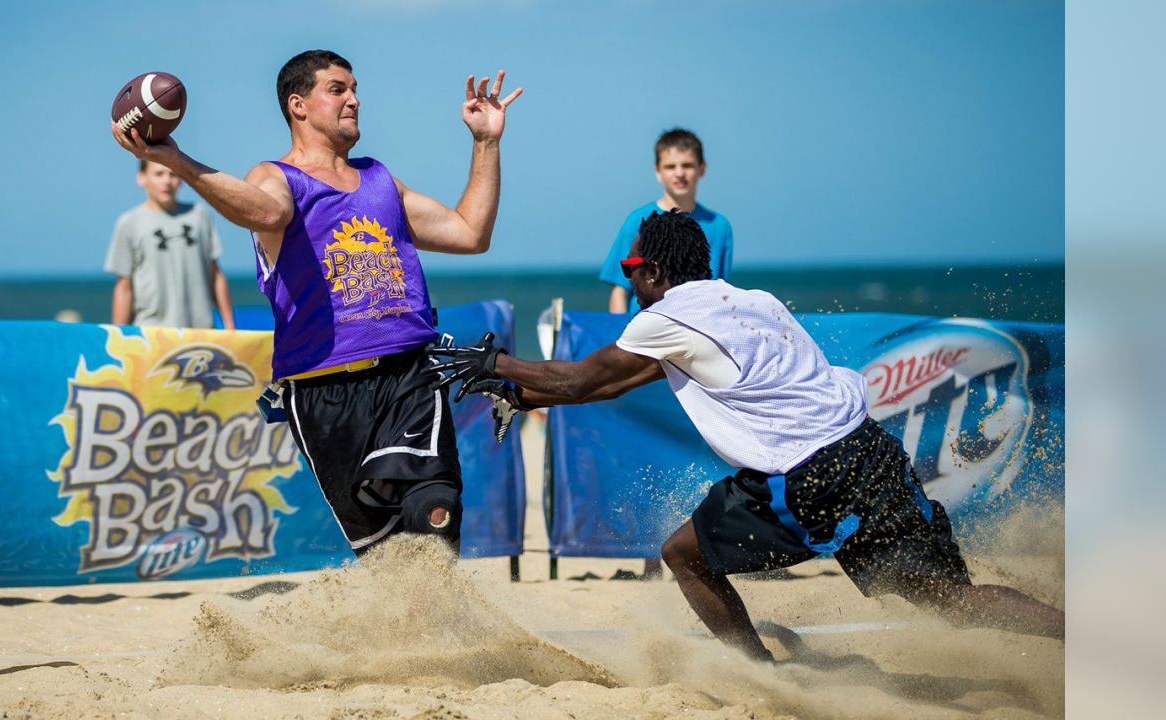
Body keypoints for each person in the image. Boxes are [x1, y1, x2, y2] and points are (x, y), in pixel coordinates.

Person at [430, 210, 1065, 662]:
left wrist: (495, 363)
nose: (628, 283)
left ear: (650, 271)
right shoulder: (752, 301)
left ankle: (754, 675)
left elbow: (577, 379)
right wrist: (516, 391)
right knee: (951, 599)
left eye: (630, 270)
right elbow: (609, 385)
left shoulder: (668, 316)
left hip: (808, 473)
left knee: (684, 555)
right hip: (869, 449)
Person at [111, 50, 522, 556]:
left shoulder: (379, 180)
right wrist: (177, 161)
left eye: (354, 89)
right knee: (385, 553)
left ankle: (443, 630)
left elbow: (470, 232)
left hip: (408, 373)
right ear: (298, 105)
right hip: (322, 391)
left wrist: (486, 143)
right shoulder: (275, 177)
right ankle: (411, 631)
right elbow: (263, 211)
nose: (354, 99)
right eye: (338, 89)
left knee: (435, 508)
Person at [598, 128, 733, 314]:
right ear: (658, 172)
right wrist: (621, 333)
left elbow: (719, 294)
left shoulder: (719, 226)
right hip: (644, 332)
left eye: (687, 165)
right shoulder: (638, 221)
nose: (679, 173)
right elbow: (620, 292)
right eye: (670, 166)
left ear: (702, 168)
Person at [105, 159, 236, 329]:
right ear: (142, 178)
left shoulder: (199, 215)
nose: (167, 181)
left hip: (201, 331)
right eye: (159, 174)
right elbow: (124, 285)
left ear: (181, 179)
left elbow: (216, 274)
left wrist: (230, 326)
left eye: (173, 174)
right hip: (151, 331)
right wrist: (119, 335)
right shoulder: (129, 222)